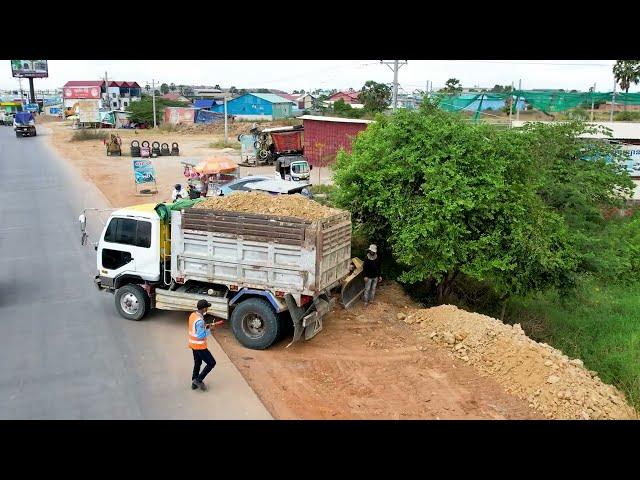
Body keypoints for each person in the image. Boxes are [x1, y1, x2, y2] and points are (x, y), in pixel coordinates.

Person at [188, 299, 217, 391]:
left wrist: (206, 326)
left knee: (197, 363)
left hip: (193, 344)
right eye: (207, 307)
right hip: (199, 346)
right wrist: (210, 330)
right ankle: (199, 380)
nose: (207, 309)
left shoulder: (193, 315)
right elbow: (200, 335)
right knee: (212, 363)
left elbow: (196, 329)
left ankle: (194, 382)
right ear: (204, 309)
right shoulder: (200, 321)